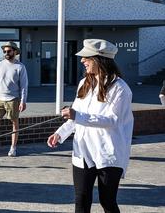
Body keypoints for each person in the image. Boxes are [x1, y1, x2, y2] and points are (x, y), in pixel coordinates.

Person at [47, 39, 133, 213]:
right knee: (81, 201)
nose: (81, 60)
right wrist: (60, 133)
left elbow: (112, 120)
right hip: (83, 151)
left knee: (107, 202)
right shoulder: (84, 83)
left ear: (100, 59)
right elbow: (76, 116)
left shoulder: (121, 89)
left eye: (86, 57)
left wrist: (77, 115)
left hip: (108, 153)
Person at [0, 41, 28, 157]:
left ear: (15, 52)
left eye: (8, 51)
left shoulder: (20, 67)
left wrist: (23, 101)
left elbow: (24, 86)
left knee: (14, 122)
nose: (6, 53)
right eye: (4, 51)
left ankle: (13, 147)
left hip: (13, 99)